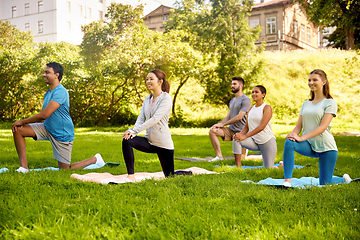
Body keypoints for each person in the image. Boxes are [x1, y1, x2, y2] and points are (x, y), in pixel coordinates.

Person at [11, 62, 105, 172]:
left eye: (47, 72)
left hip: (62, 133)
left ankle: (95, 159)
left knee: (65, 170)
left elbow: (44, 115)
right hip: (47, 127)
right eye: (44, 72)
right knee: (18, 130)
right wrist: (22, 124)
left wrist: (22, 121)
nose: (44, 74)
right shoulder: (48, 93)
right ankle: (23, 168)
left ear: (56, 75)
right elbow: (42, 117)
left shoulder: (61, 92)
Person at [282, 69, 349, 187]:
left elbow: (322, 127)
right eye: (309, 80)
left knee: (325, 183)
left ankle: (344, 179)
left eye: (314, 80)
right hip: (309, 144)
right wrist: (293, 135)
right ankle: (287, 182)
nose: (311, 83)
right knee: (289, 143)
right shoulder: (306, 104)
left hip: (326, 147)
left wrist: (301, 138)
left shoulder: (330, 102)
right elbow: (299, 126)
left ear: (323, 82)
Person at [122, 69, 175, 182]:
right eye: (147, 79)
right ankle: (130, 176)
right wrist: (132, 131)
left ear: (160, 82)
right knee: (127, 140)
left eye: (151, 79)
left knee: (170, 176)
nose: (148, 81)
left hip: (163, 144)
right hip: (149, 141)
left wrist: (135, 131)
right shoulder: (147, 99)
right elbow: (141, 118)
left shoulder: (166, 98)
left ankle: (187, 173)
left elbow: (155, 119)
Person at [208, 77, 251, 162]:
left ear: (241, 86)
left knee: (243, 159)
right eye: (232, 84)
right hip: (231, 130)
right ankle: (219, 157)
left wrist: (223, 124)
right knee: (213, 131)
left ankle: (259, 156)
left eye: (234, 84)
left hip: (242, 132)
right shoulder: (232, 101)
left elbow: (240, 117)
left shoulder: (246, 100)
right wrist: (219, 124)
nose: (232, 86)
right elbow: (228, 116)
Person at [233, 85, 277, 168]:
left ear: (263, 94)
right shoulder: (250, 109)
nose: (253, 94)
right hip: (254, 141)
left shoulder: (267, 108)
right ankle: (238, 167)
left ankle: (279, 166)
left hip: (267, 141)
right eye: (252, 92)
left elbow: (262, 126)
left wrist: (245, 136)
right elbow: (246, 126)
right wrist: (240, 135)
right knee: (236, 139)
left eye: (256, 92)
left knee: (268, 169)